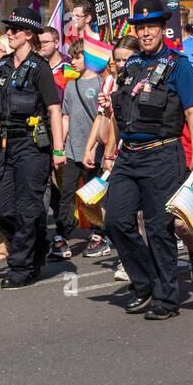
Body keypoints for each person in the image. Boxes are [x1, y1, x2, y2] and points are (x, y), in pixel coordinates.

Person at [99, 0, 193, 320]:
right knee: (115, 221)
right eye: (140, 27)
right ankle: (144, 282)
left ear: (163, 28)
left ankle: (166, 297)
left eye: (151, 27)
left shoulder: (179, 64)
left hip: (163, 154)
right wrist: (110, 146)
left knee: (159, 229)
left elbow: (192, 111)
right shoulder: (130, 66)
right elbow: (121, 112)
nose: (145, 33)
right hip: (129, 155)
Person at [0, 8, 65, 289]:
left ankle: (22, 266)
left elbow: (53, 109)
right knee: (2, 209)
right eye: (8, 29)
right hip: (3, 143)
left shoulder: (39, 68)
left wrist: (59, 150)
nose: (10, 33)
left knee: (27, 208)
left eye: (15, 29)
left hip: (31, 145)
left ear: (29, 35)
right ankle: (37, 241)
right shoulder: (2, 65)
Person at [81, 35, 140, 262]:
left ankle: (135, 258)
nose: (122, 65)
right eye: (118, 60)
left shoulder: (142, 80)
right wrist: (90, 147)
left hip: (134, 147)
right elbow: (102, 118)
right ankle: (126, 255)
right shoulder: (109, 82)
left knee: (133, 210)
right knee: (114, 208)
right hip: (113, 148)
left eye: (127, 59)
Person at [52, 39, 102, 261]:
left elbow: (104, 119)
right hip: (72, 150)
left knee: (92, 197)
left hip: (93, 152)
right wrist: (60, 147)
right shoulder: (71, 85)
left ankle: (98, 234)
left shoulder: (101, 83)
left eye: (77, 57)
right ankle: (62, 235)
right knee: (66, 194)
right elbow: (65, 116)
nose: (72, 61)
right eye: (71, 57)